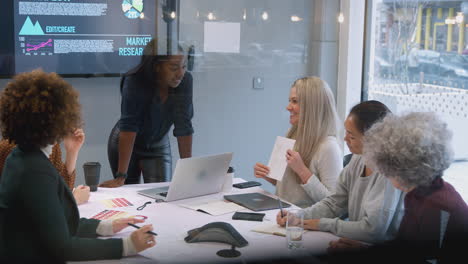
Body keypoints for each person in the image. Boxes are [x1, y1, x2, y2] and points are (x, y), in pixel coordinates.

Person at [0, 70, 156, 262]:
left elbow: (54, 221)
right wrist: (128, 245)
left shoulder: (21, 157)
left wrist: (106, 226)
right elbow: (63, 248)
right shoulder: (34, 170)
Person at [327, 112, 468, 263]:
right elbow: (405, 248)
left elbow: (422, 259)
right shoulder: (419, 193)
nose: (383, 173)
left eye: (386, 169)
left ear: (403, 168)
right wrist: (364, 250)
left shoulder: (438, 206)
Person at [277, 100, 405, 243]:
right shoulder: (358, 159)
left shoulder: (390, 172)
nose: (345, 139)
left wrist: (321, 224)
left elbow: (372, 230)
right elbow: (334, 203)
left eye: (351, 136)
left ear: (373, 139)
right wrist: (299, 215)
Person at [101, 39, 193, 187]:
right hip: (127, 142)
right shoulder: (134, 80)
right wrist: (120, 177)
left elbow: (184, 127)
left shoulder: (186, 81)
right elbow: (129, 127)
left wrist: (189, 172)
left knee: (161, 196)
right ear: (157, 67)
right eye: (174, 67)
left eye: (183, 66)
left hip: (158, 143)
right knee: (129, 194)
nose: (180, 74)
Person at [254, 77, 342, 208]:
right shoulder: (292, 134)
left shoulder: (329, 147)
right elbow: (291, 190)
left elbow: (334, 204)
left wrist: (302, 170)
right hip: (283, 214)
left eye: (294, 101)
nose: (288, 107)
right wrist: (269, 176)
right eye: (289, 101)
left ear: (312, 106)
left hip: (306, 223)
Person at [0, 129, 90, 205]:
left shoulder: (52, 144)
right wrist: (73, 200)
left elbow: (60, 190)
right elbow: (31, 209)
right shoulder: (11, 149)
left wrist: (72, 152)